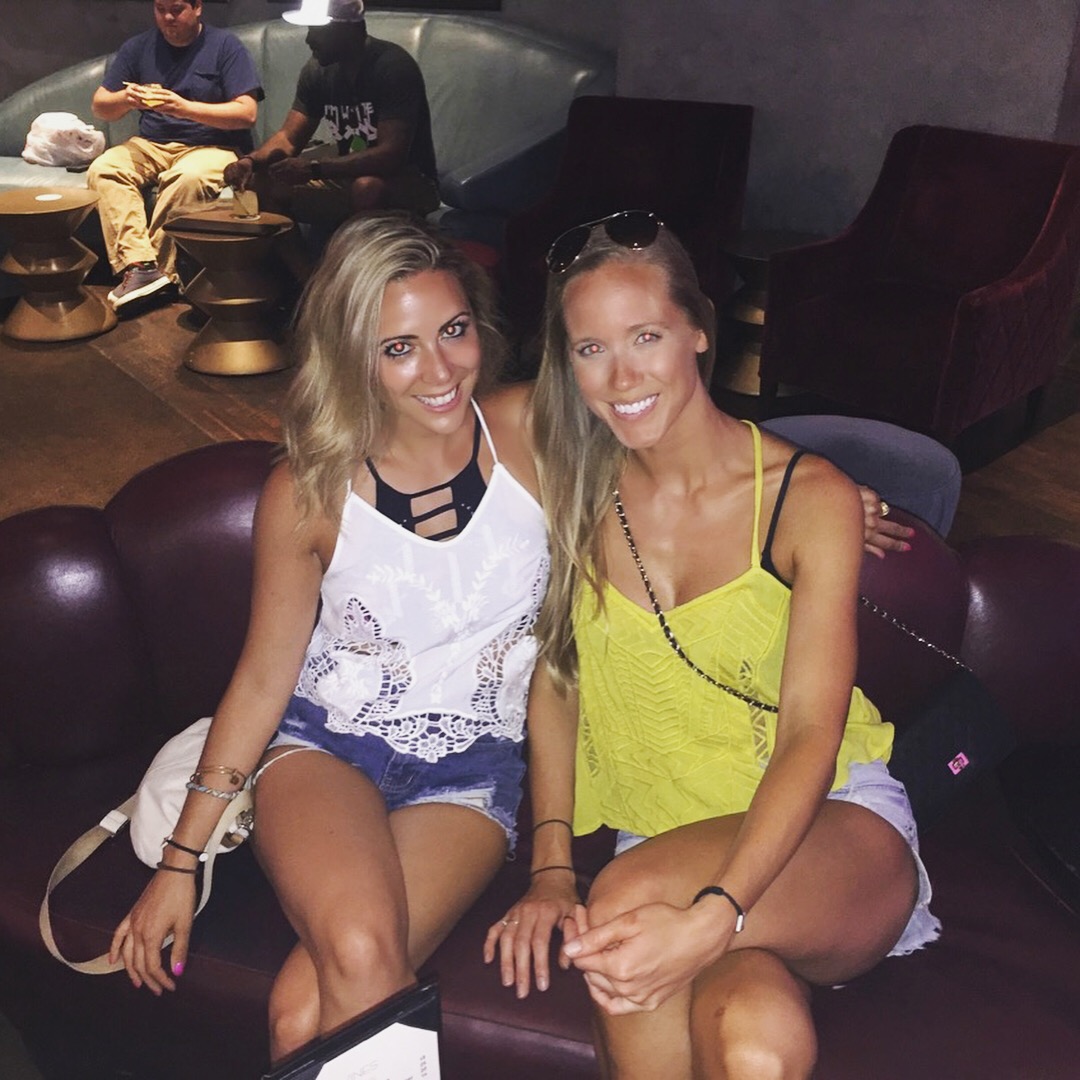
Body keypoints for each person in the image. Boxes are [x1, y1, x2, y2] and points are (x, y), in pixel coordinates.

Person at [485, 211, 939, 1079]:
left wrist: (716, 914)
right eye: (590, 349)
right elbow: (560, 679)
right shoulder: (573, 477)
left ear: (698, 329)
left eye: (646, 336)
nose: (622, 377)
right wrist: (549, 869)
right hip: (669, 839)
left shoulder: (807, 498)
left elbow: (811, 731)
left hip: (829, 829)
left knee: (623, 906)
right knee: (756, 1045)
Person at [107, 212, 547, 1066]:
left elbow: (658, 433)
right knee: (357, 951)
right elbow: (263, 678)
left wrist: (796, 489)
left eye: (453, 330)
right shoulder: (308, 490)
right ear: (352, 356)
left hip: (470, 769)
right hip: (326, 751)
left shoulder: (530, 432)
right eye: (399, 348)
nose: (439, 369)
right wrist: (179, 861)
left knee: (298, 1014)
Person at [88, 0, 263, 311]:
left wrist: (183, 108)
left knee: (187, 178)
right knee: (104, 168)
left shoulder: (225, 46)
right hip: (152, 143)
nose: (168, 17)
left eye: (177, 9)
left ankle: (160, 276)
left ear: (197, 8)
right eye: (160, 9)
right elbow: (101, 106)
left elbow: (246, 114)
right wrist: (127, 98)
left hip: (214, 145)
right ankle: (140, 266)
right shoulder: (138, 47)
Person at [223, 0, 439, 241]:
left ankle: (360, 265)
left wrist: (315, 169)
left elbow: (391, 155)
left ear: (349, 29)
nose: (309, 39)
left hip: (410, 180)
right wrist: (249, 162)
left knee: (367, 187)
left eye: (318, 31)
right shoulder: (317, 71)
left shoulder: (393, 67)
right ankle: (303, 265)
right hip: (345, 176)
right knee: (261, 183)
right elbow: (288, 139)